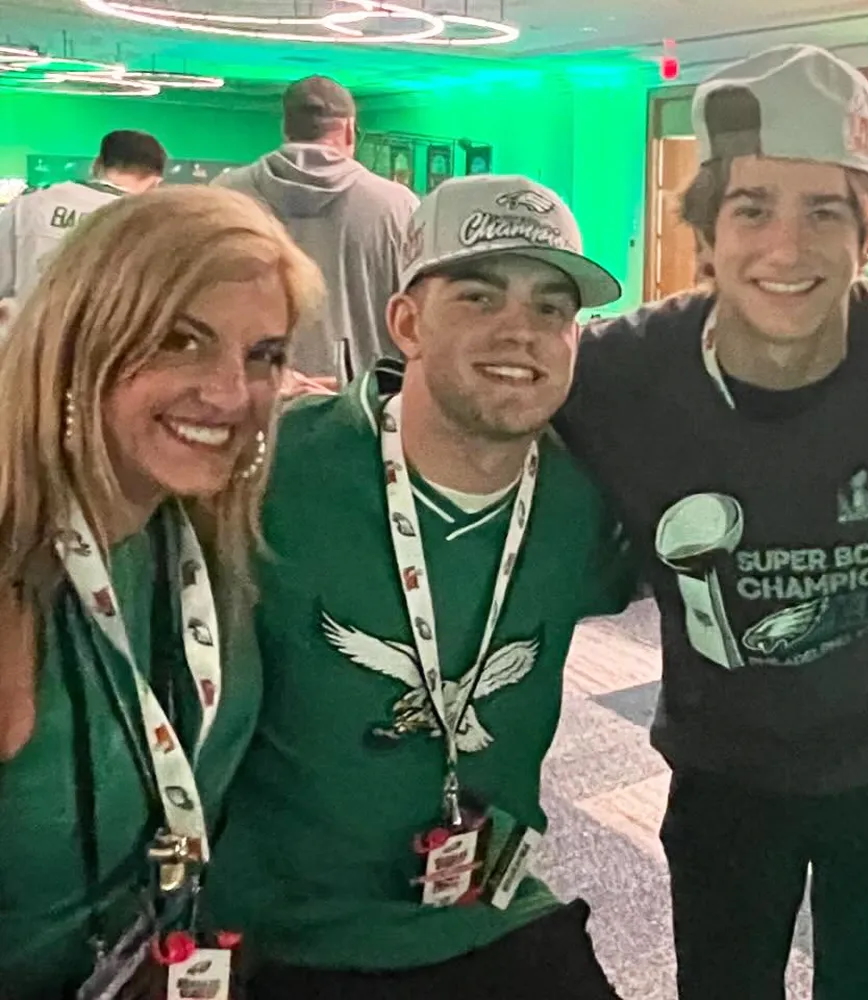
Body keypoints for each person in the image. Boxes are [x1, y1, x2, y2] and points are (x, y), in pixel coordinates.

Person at [556, 43, 868, 1000]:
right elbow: (477, 406)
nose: (787, 248)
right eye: (752, 209)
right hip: (724, 773)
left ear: (867, 231)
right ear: (705, 231)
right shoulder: (620, 373)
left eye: (824, 211)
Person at [206, 174, 636, 1000]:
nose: (521, 331)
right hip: (287, 938)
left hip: (488, 905)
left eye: (552, 308)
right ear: (406, 322)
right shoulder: (269, 473)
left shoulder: (587, 497)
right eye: (479, 297)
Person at [0, 186, 322, 999]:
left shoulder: (196, 531)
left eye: (264, 355)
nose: (231, 393)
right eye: (182, 340)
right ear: (79, 344)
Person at [216, 75, 418, 384]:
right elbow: (420, 316)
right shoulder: (397, 205)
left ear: (285, 128)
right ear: (349, 129)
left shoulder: (225, 196)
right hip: (362, 400)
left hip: (251, 390)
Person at [0, 129, 167, 303]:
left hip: (31, 318)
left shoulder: (29, 204)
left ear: (96, 165)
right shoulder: (154, 226)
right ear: (155, 183)